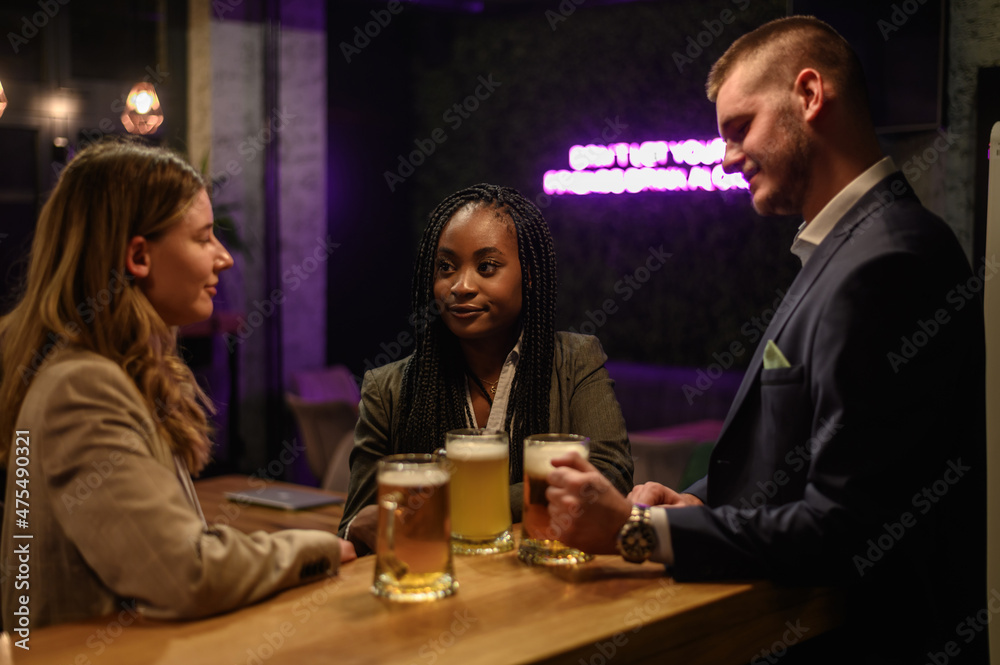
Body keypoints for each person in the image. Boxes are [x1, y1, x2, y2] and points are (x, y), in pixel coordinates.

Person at [545, 16, 986, 664]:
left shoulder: (891, 260)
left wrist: (637, 530)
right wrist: (691, 503)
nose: (726, 156)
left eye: (739, 127)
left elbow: (843, 528)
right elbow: (788, 469)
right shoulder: (848, 249)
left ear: (809, 95)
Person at [0, 138, 355, 629]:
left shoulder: (103, 371)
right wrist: (323, 547)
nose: (224, 257)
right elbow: (185, 574)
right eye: (204, 237)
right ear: (139, 256)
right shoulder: (82, 387)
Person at [339, 184, 633, 553]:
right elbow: (357, 524)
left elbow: (609, 474)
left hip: (544, 575)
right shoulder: (387, 389)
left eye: (486, 267)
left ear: (529, 274)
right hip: (436, 578)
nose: (460, 286)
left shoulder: (575, 360)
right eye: (446, 267)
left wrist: (443, 504)